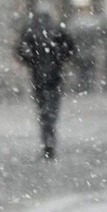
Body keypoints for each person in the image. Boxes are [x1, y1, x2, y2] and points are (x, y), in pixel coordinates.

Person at [16, 12, 75, 160]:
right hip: (54, 77)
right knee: (52, 112)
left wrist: (31, 62)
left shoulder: (31, 32)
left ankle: (48, 141)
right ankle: (50, 139)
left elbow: (20, 50)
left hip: (39, 78)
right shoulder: (57, 31)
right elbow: (71, 48)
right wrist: (59, 59)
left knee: (43, 112)